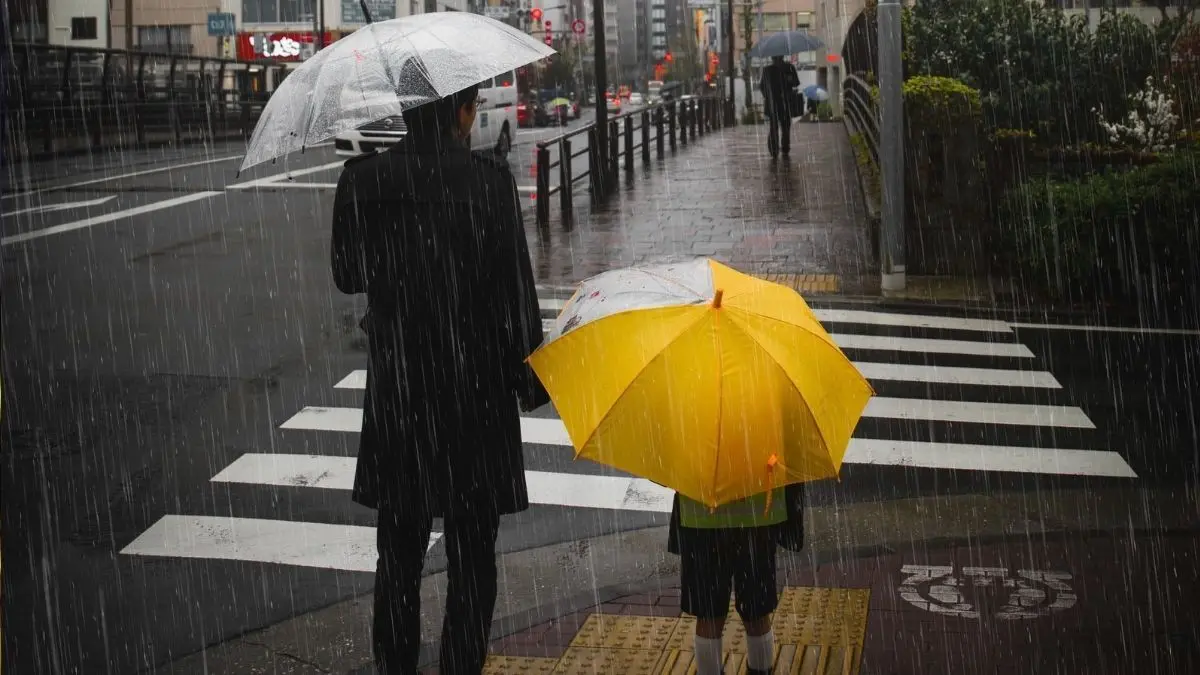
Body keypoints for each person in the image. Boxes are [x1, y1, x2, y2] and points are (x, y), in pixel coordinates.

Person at [331, 77, 547, 675]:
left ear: (404, 111)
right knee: (473, 555)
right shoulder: (489, 183)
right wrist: (529, 377)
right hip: (475, 396)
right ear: (462, 110)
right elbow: (515, 298)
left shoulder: (364, 180)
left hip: (402, 393)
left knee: (397, 554)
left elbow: (348, 274)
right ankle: (460, 664)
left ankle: (394, 665)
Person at [667, 481, 806, 675]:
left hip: (702, 513)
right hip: (759, 512)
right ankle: (760, 670)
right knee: (757, 608)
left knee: (709, 613)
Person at [759, 55, 800, 158]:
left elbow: (762, 87)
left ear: (772, 58)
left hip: (773, 103)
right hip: (786, 102)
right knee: (785, 126)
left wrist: (768, 97)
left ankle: (774, 149)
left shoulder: (767, 70)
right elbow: (796, 83)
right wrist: (788, 81)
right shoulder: (789, 67)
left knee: (774, 126)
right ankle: (785, 147)